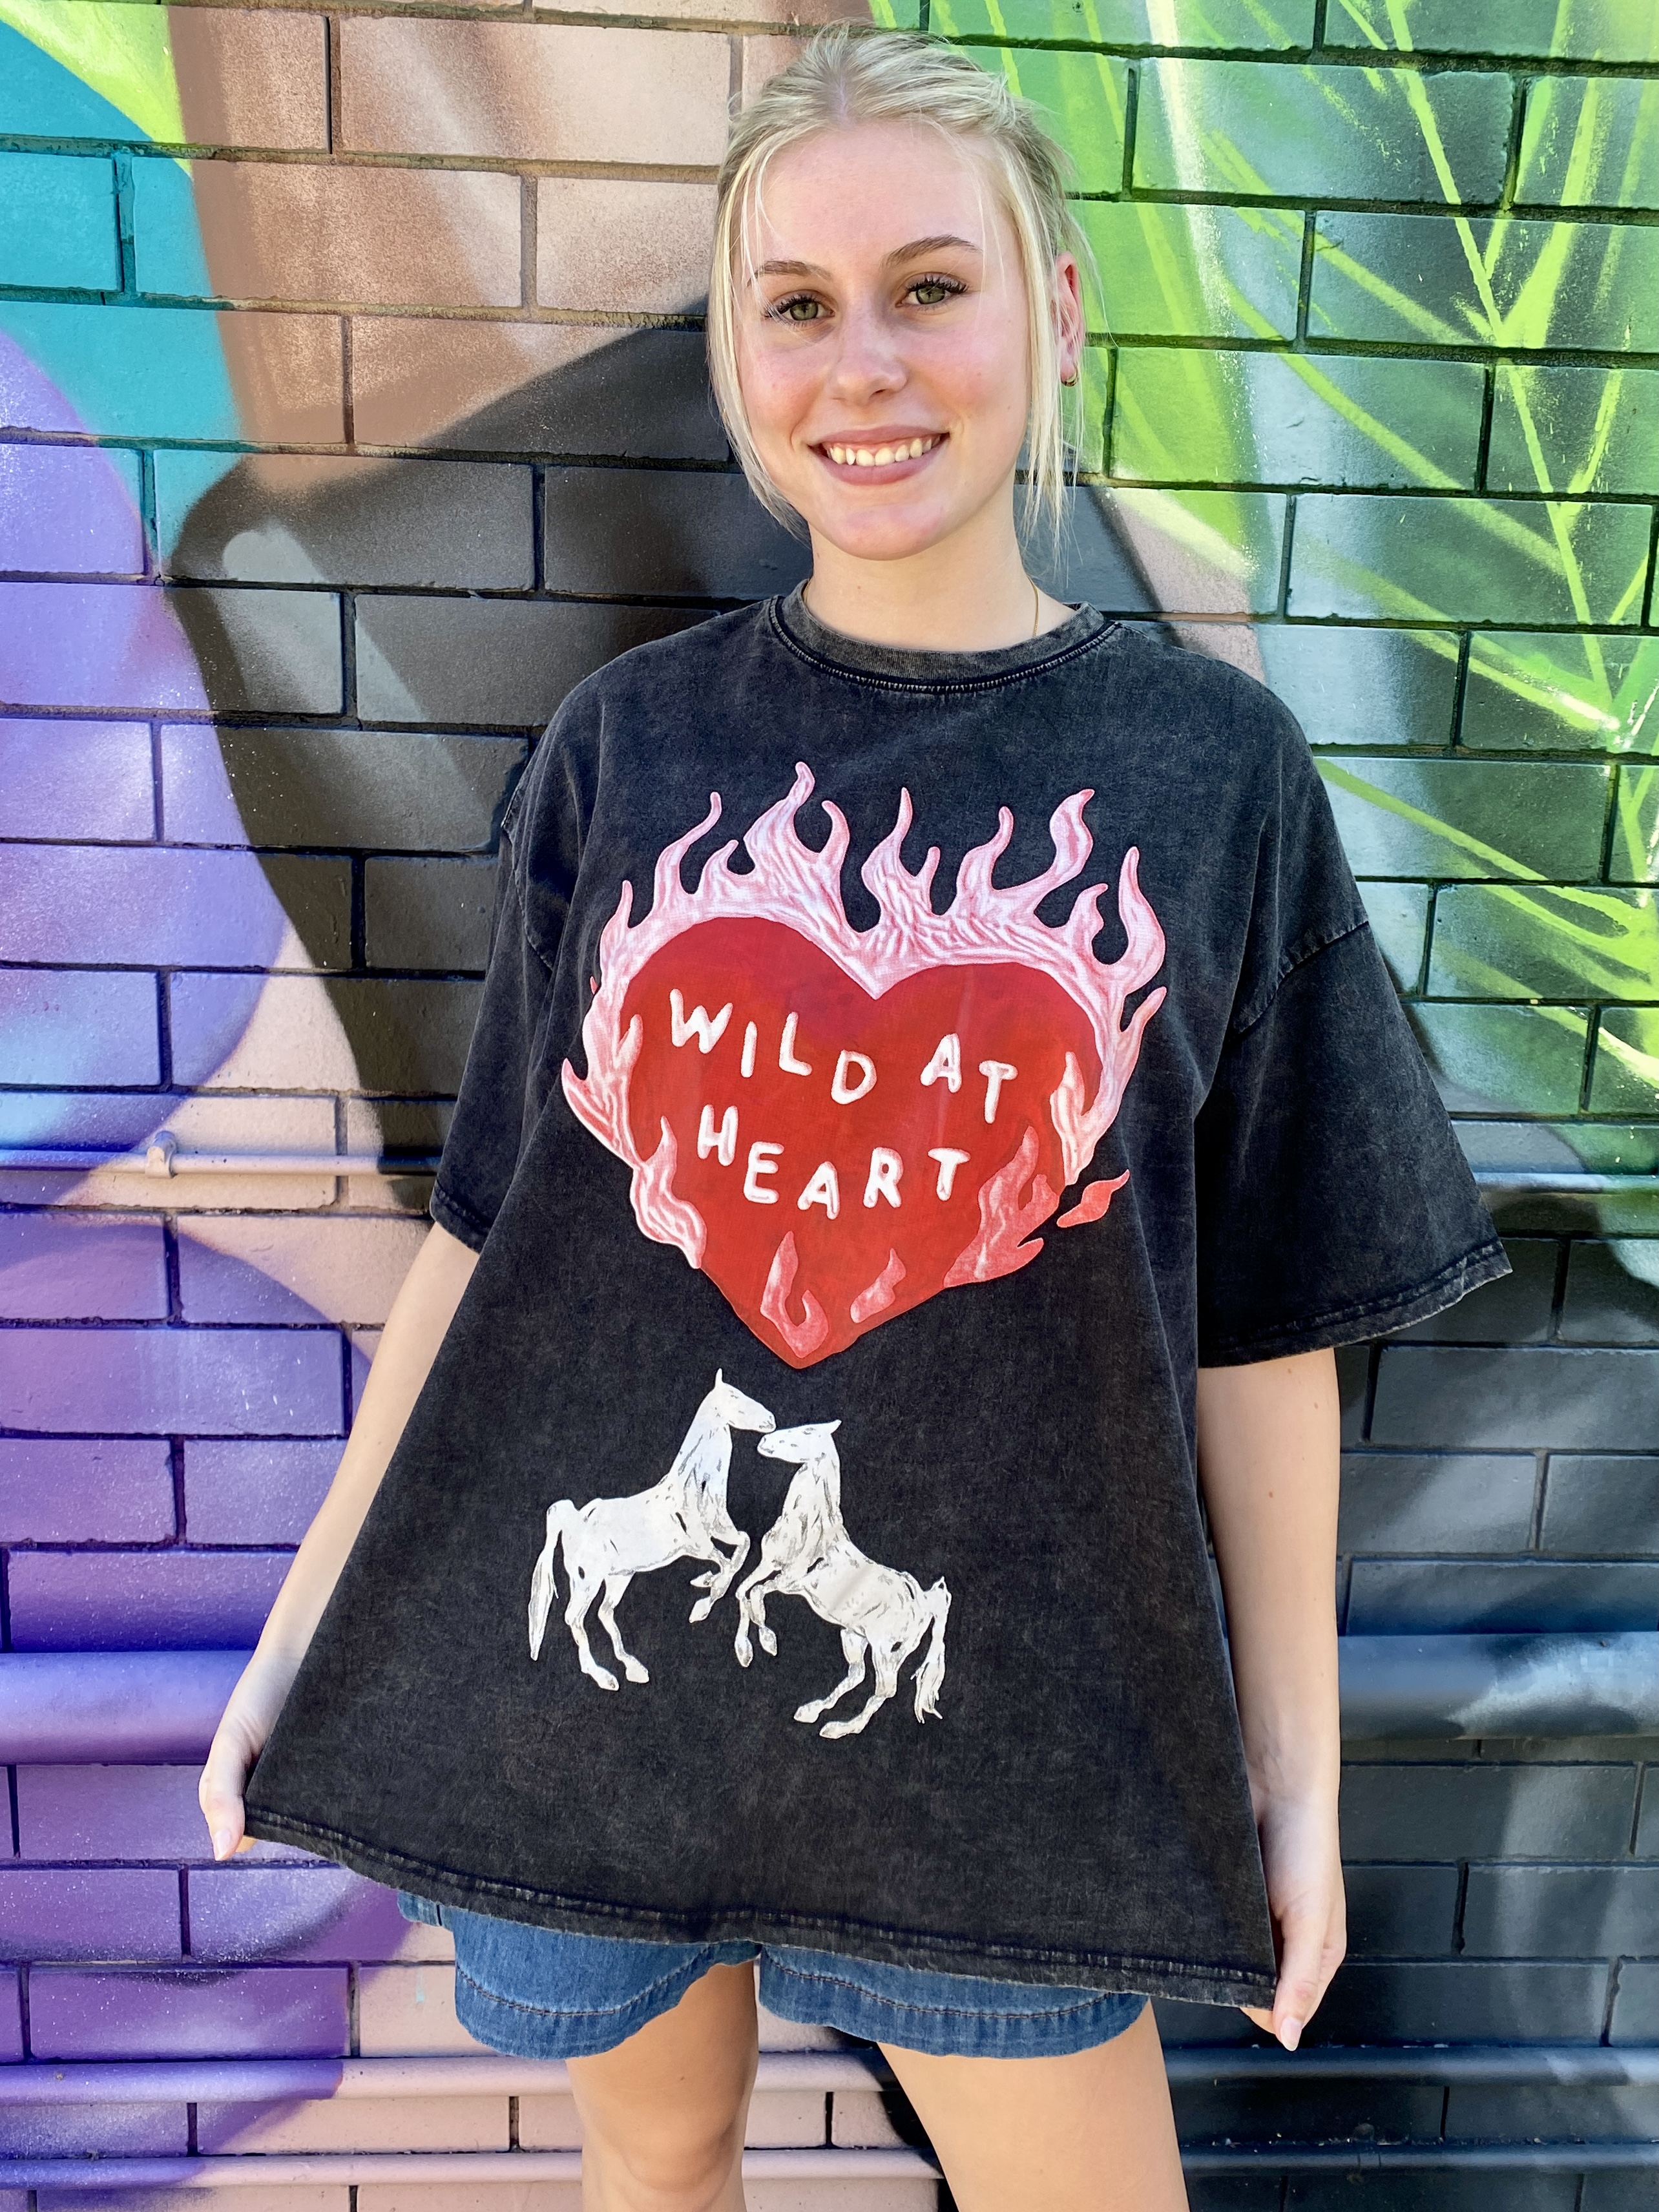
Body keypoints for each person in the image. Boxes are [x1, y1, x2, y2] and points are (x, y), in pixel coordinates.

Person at [201, 28, 1507, 2209]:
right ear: (736, 353)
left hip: (1010, 1729)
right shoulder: (630, 748)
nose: (864, 366)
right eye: (797, 305)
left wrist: (1298, 1781)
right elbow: (488, 1238)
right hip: (593, 1699)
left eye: (929, 288)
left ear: (1053, 308)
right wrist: (301, 1633)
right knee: (662, 2165)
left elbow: (1269, 1319)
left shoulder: (1210, 772)